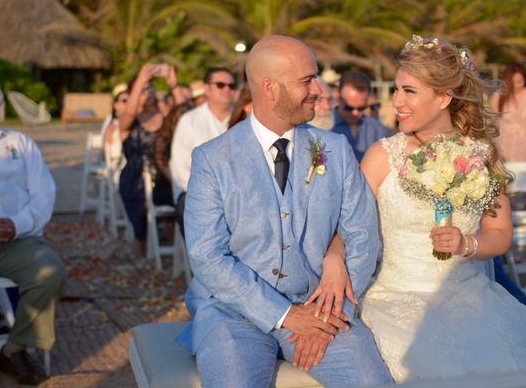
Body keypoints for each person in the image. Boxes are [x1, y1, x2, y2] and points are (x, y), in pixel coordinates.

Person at [311, 37, 526, 383]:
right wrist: (333, 257)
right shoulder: (382, 156)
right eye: (396, 89)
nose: (396, 102)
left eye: (409, 91)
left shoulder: (482, 156)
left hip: (470, 297)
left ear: (443, 98)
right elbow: (347, 225)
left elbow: (500, 235)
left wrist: (468, 244)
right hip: (395, 300)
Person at [177, 35, 391, 387]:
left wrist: (330, 315)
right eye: (307, 80)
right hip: (233, 314)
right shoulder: (212, 159)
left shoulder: (335, 149)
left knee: (371, 382)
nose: (319, 90)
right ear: (269, 88)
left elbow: (362, 234)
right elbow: (207, 256)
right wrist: (285, 314)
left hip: (322, 308)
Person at [0, 83, 67, 385]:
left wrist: (17, 224)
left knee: (50, 273)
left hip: (16, 240)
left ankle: (16, 347)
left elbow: (44, 194)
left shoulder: (19, 143)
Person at [118, 63, 185, 256]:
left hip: (164, 174)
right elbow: (129, 112)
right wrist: (141, 78)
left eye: (150, 87)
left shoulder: (165, 116)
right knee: (140, 191)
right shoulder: (129, 121)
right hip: (136, 177)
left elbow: (184, 114)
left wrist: (173, 85)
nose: (147, 91)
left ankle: (175, 243)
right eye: (142, 88)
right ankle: (140, 242)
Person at [170, 68, 235, 237]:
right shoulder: (189, 121)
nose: (227, 89)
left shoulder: (244, 119)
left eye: (231, 85)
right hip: (195, 192)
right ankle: (205, 262)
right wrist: (211, 194)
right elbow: (179, 168)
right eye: (221, 85)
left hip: (236, 192)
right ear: (207, 89)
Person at [490, 64, 526, 162]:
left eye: (519, 82)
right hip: (504, 142)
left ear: (525, 80)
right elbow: (492, 120)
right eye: (512, 82)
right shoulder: (498, 97)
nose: (515, 85)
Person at [332, 71, 389, 162]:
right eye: (348, 108)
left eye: (361, 108)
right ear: (338, 98)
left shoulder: (378, 129)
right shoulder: (324, 126)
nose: (355, 113)